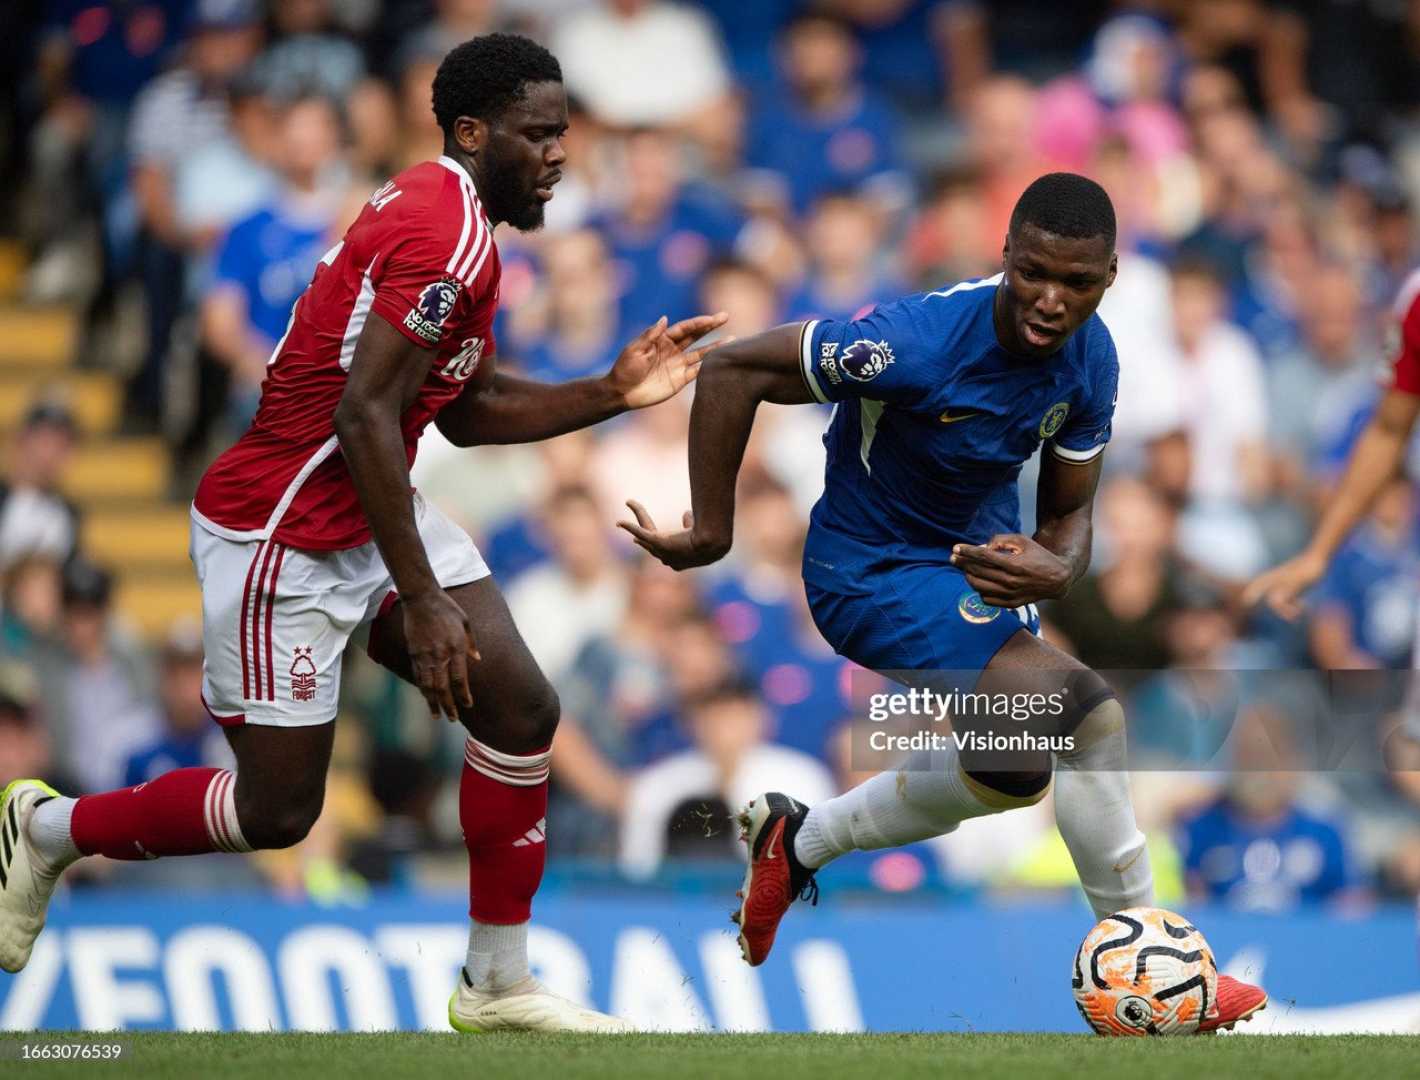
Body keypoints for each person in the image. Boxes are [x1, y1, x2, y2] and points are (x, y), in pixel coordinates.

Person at [0, 33, 727, 1034]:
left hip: (363, 507)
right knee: (277, 815)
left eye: (565, 133)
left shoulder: (450, 215)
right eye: (540, 134)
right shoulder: (445, 237)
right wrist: (423, 598)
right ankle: (47, 830)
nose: (561, 153)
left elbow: (458, 407)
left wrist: (608, 390)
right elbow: (362, 416)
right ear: (473, 132)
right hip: (282, 535)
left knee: (519, 711)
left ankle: (496, 983)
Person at [621, 172, 1266, 1031]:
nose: (1049, 299)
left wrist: (1059, 568)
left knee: (1012, 774)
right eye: (1033, 271)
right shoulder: (913, 343)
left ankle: (799, 843)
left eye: (1077, 283)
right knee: (1084, 715)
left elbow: (1069, 516)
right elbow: (734, 370)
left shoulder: (1094, 357)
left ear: (1108, 279)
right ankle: (1161, 970)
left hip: (975, 570)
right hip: (869, 572)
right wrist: (711, 528)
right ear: (1005, 254)